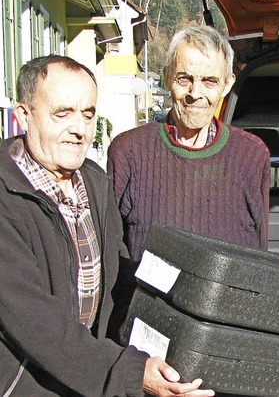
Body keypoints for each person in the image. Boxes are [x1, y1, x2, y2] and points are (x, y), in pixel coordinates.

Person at [0, 55, 213, 396]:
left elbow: (120, 282)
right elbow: (35, 321)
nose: (79, 129)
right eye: (62, 113)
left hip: (88, 380)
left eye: (87, 114)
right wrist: (128, 372)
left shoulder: (94, 181)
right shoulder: (5, 197)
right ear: (24, 116)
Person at [107, 25, 270, 332]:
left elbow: (257, 257)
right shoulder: (128, 151)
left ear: (226, 84)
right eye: (185, 79)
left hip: (224, 334)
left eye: (210, 81)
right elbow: (112, 256)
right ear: (168, 76)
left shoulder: (252, 155)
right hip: (148, 333)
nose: (196, 93)